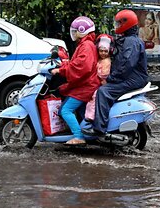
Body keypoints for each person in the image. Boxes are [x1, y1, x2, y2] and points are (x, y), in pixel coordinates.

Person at [82, 9, 149, 136]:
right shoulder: (127, 39)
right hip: (131, 77)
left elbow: (126, 65)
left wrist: (111, 79)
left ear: (126, 24)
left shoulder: (131, 42)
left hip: (132, 79)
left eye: (119, 23)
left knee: (103, 92)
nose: (117, 26)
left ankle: (99, 129)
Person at [50, 16, 99, 146]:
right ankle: (89, 134)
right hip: (86, 84)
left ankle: (78, 136)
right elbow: (77, 63)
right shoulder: (85, 44)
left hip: (85, 86)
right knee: (82, 112)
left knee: (65, 110)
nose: (74, 33)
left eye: (76, 30)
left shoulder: (86, 46)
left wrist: (61, 71)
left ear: (82, 30)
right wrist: (64, 65)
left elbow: (81, 67)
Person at [84, 34, 113, 122]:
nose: (103, 53)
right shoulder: (99, 60)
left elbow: (103, 75)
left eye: (105, 51)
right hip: (98, 82)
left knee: (94, 96)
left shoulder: (106, 61)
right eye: (101, 51)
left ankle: (91, 117)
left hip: (102, 83)